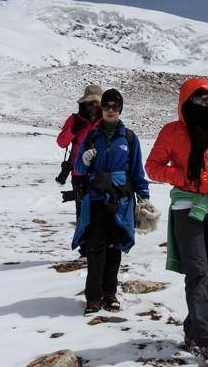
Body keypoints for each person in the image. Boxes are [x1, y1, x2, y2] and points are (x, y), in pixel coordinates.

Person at [145, 77, 208, 363]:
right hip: (188, 209)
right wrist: (187, 178)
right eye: (198, 99)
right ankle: (203, 339)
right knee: (198, 273)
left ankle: (194, 327)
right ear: (186, 101)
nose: (203, 104)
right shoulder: (172, 132)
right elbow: (153, 167)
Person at [72, 88, 149, 315]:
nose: (110, 110)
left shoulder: (130, 138)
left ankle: (110, 295)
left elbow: (137, 171)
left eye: (115, 106)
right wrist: (84, 161)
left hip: (121, 200)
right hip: (96, 197)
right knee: (96, 248)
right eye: (107, 106)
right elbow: (78, 168)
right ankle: (93, 299)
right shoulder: (92, 136)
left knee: (115, 248)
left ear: (120, 109)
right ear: (101, 108)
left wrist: (144, 198)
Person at [56, 84, 103, 221]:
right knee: (83, 216)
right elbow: (61, 142)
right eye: (92, 102)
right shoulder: (75, 120)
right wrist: (72, 131)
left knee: (101, 215)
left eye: (98, 102)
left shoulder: (107, 120)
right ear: (84, 103)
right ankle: (84, 241)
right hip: (79, 174)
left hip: (102, 174)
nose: (95, 106)